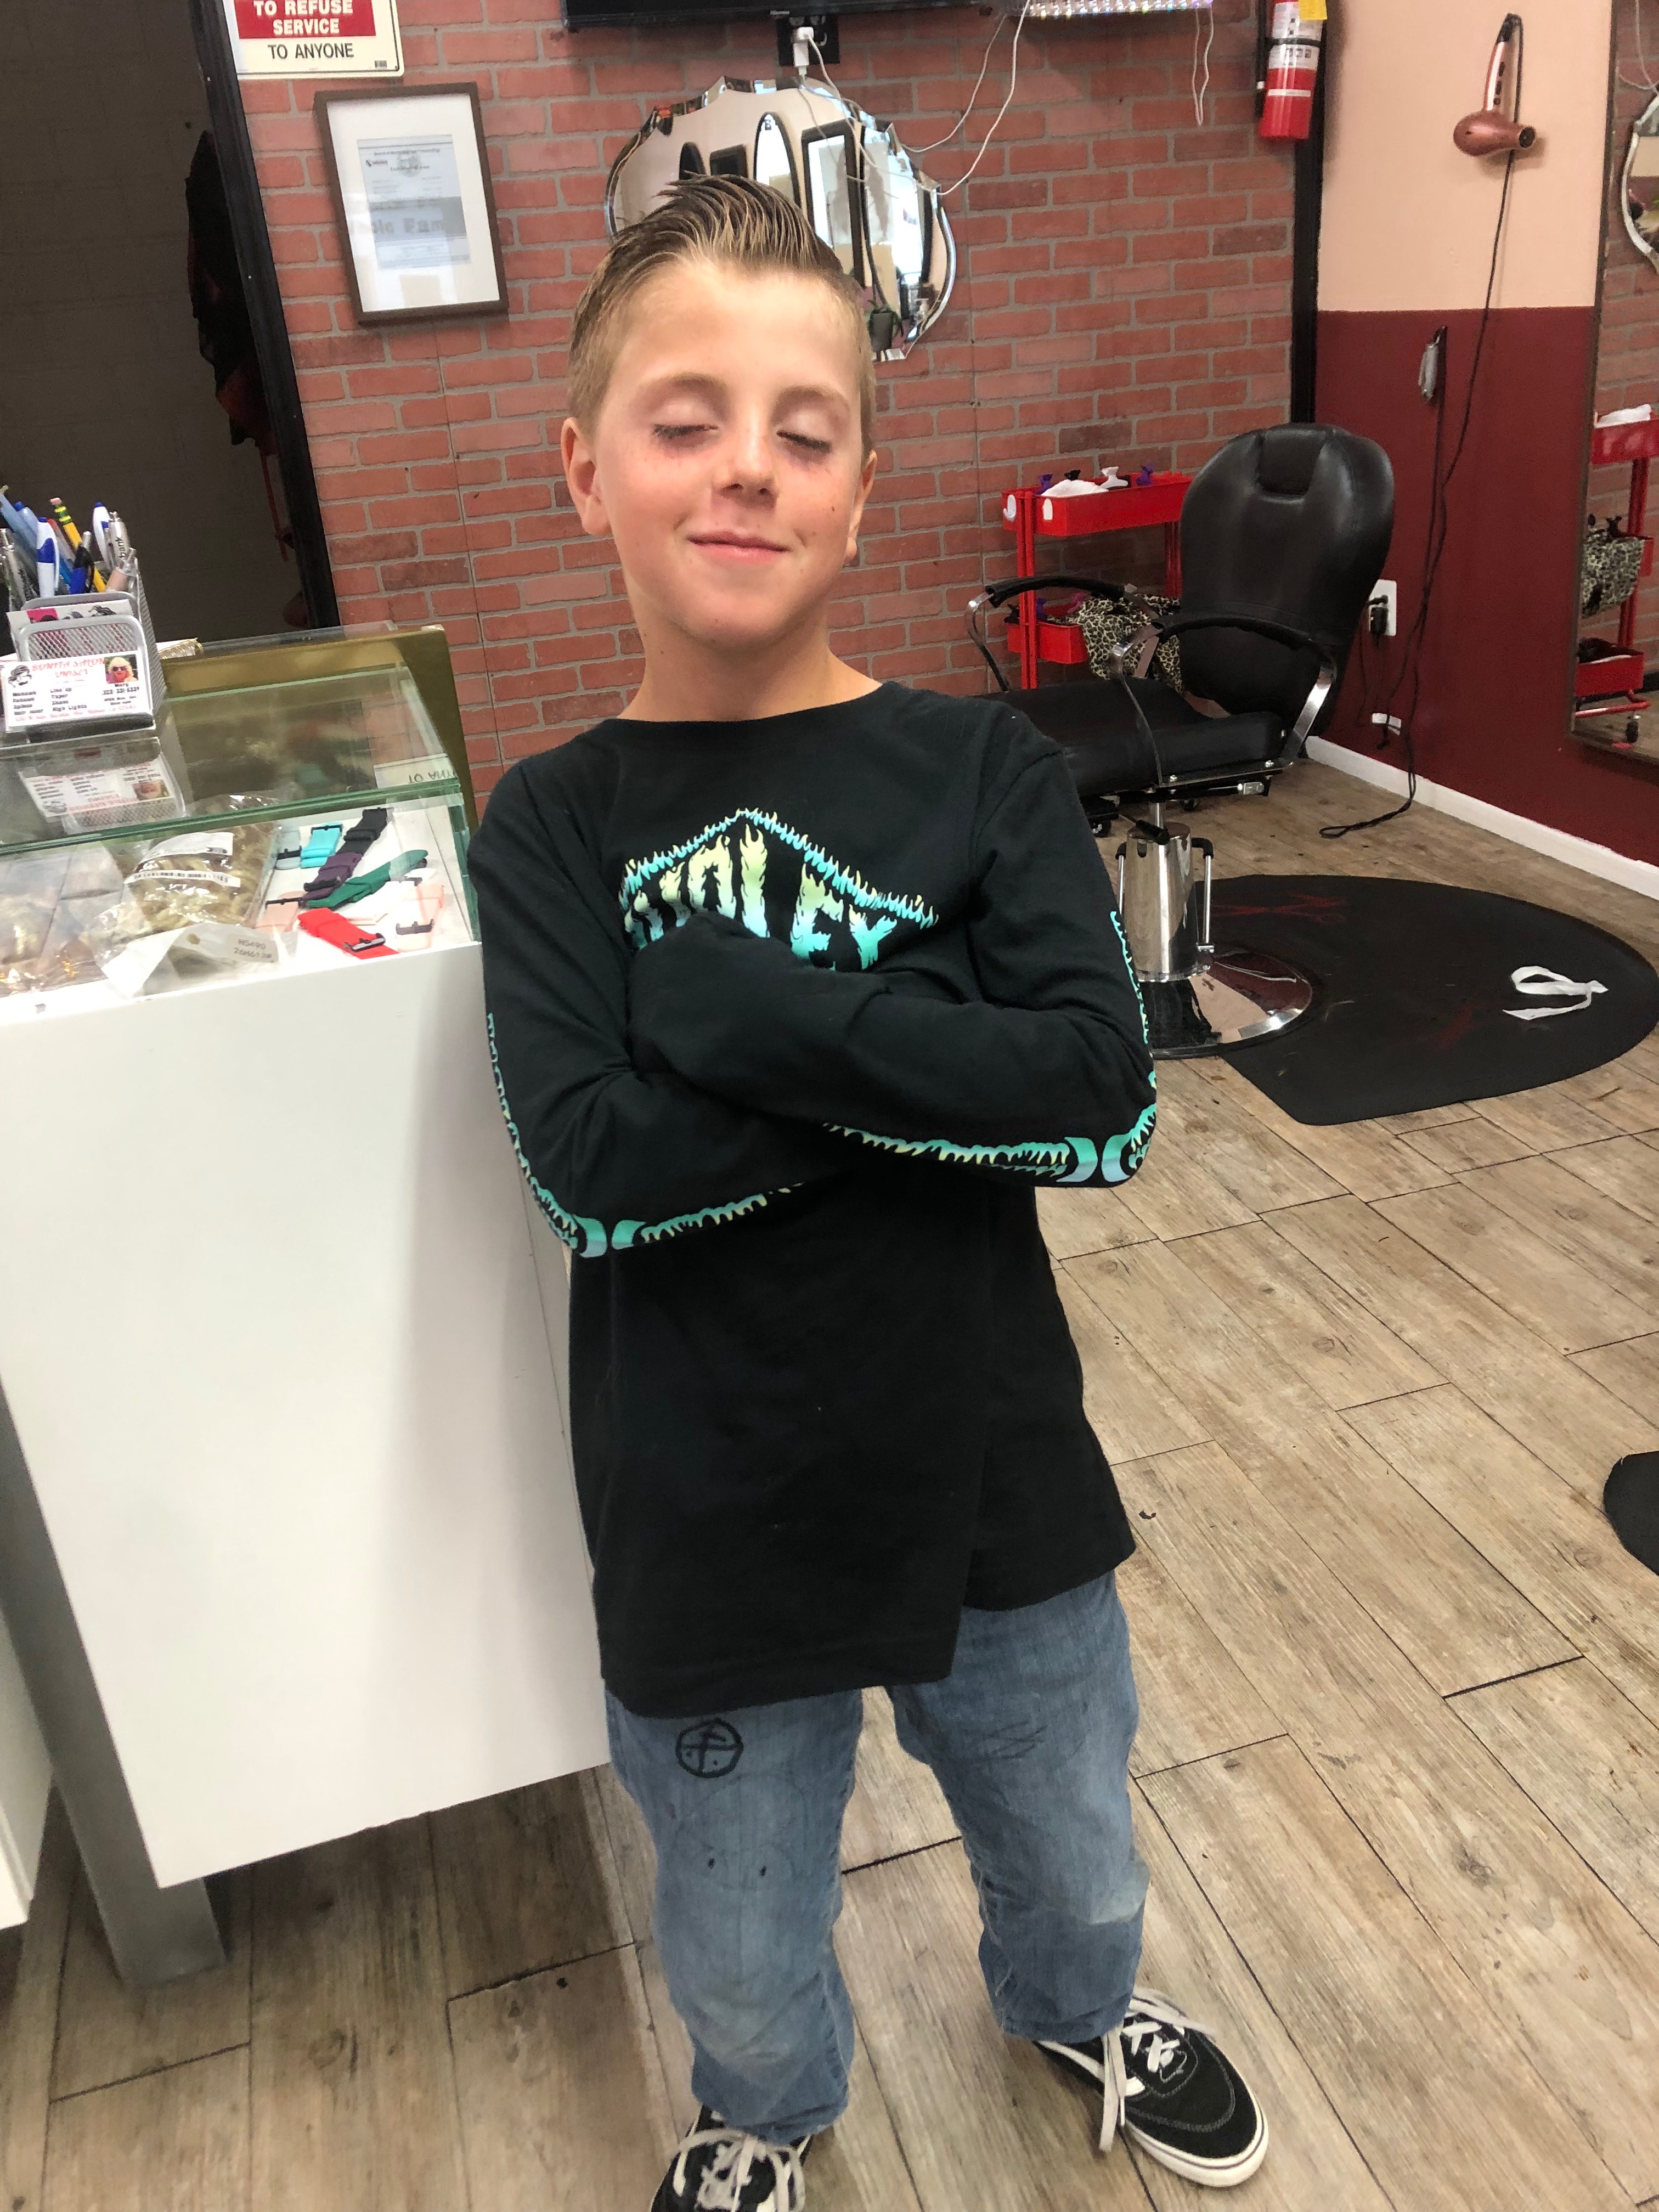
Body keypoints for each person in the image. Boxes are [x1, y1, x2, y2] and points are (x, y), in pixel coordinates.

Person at [469, 176, 1267, 2211]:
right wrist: (924, 1039)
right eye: (686, 420)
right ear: (586, 470)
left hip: (995, 1457)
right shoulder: (549, 826)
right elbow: (593, 1172)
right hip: (703, 1497)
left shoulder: (985, 771)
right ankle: (765, 2112)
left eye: (803, 430)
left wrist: (733, 1017)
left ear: (857, 490)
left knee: (1072, 1833)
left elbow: (1100, 1106)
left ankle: (1082, 2005)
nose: (748, 465)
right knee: (737, 1920)